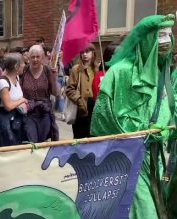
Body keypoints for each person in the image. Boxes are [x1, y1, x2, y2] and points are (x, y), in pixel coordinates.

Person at [91, 14, 176, 219]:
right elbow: (102, 118)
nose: (167, 40)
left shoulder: (160, 75)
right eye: (161, 35)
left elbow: (167, 109)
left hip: (151, 158)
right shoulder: (119, 72)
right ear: (147, 38)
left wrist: (162, 127)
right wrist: (138, 133)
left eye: (170, 35)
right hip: (124, 157)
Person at [20, 45, 59, 143]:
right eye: (32, 57)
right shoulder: (24, 71)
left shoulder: (47, 70)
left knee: (42, 142)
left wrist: (54, 77)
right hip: (29, 112)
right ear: (28, 58)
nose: (35, 59)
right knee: (31, 140)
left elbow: (55, 93)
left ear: (42, 57)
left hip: (44, 112)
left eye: (38, 57)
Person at [0, 53, 27, 147]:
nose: (24, 65)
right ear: (16, 66)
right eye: (22, 63)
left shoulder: (16, 77)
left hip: (16, 120)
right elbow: (8, 106)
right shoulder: (3, 83)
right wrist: (23, 100)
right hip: (5, 122)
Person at [65, 43, 98, 139]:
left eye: (87, 52)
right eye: (82, 52)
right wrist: (80, 102)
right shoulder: (76, 69)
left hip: (95, 111)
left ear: (93, 53)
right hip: (81, 112)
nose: (84, 54)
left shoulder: (97, 68)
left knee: (94, 139)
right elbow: (70, 90)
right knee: (80, 139)